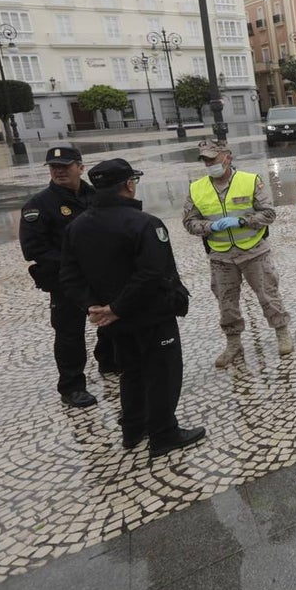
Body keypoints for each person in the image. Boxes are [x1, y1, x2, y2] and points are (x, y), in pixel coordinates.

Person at [59, 158, 205, 458]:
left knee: (131, 372)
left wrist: (96, 308)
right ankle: (164, 433)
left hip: (114, 322)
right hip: (150, 315)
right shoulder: (145, 224)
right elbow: (152, 273)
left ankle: (133, 429)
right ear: (128, 184)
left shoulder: (76, 227)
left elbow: (69, 277)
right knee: (162, 372)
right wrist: (117, 308)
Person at [19, 144, 116, 408]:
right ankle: (72, 386)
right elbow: (34, 249)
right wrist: (73, 263)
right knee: (69, 334)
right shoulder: (38, 206)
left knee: (110, 319)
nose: (59, 172)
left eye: (65, 167)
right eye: (54, 168)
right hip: (66, 281)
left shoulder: (96, 196)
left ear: (80, 167)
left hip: (100, 275)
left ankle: (109, 361)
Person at [183, 138, 293, 366]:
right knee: (226, 302)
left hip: (254, 251)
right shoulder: (197, 188)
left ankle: (282, 332)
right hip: (220, 255)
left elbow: (269, 214)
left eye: (212, 159)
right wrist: (208, 227)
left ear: (227, 157)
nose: (209, 164)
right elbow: (189, 222)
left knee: (268, 295)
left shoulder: (250, 181)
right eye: (205, 160)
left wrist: (242, 221)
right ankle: (233, 343)